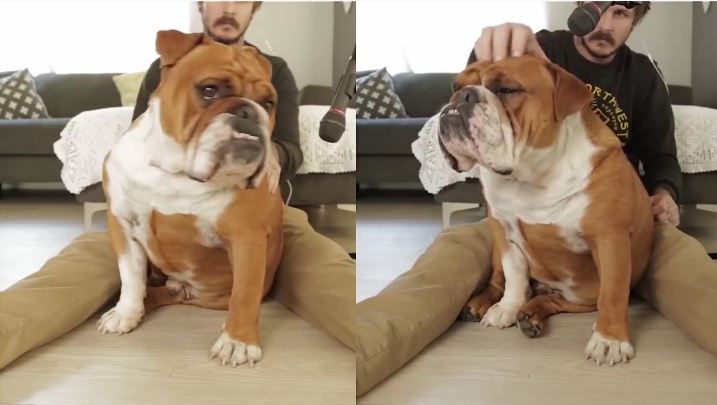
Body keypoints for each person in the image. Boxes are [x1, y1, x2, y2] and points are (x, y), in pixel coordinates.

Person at [356, 1, 716, 396]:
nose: (604, 24)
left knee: (692, 273)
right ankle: (362, 351)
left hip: (619, 222)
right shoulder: (542, 49)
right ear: (579, 8)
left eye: (620, 13)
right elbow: (484, 84)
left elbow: (662, 154)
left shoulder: (643, 75)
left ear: (636, 21)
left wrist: (665, 193)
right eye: (595, 8)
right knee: (447, 255)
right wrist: (490, 46)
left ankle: (555, 300)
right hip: (518, 212)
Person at [0, 1, 355, 371]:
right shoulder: (167, 65)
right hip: (152, 217)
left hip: (253, 213)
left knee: (327, 276)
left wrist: (269, 154)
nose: (229, 8)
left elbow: (290, 148)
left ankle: (377, 337)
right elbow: (146, 126)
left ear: (254, 10)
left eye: (241, 1)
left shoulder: (274, 69)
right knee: (73, 271)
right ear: (202, 5)